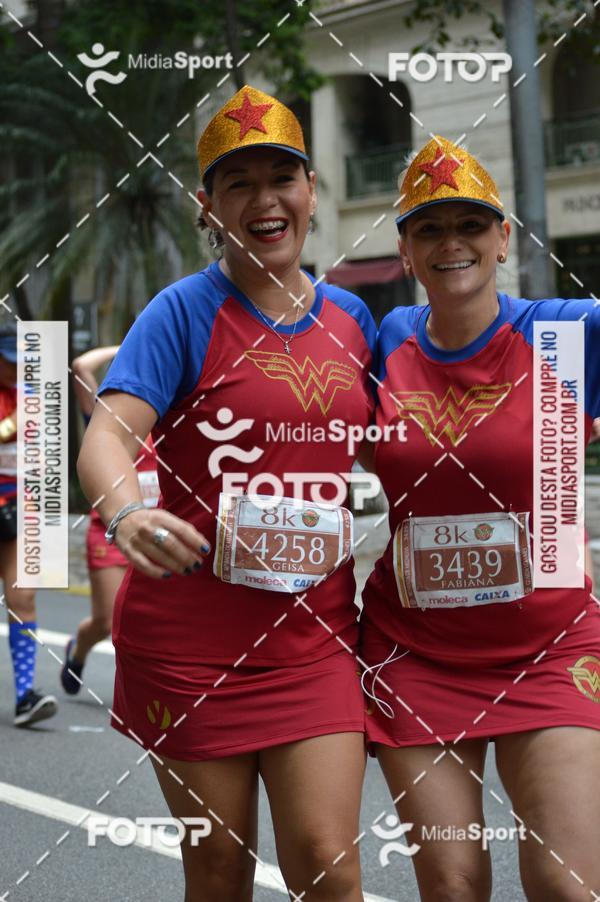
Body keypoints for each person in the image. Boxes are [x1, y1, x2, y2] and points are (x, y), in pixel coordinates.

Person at [77, 85, 376, 901]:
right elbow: (106, 435)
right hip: (190, 646)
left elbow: (416, 430)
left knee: (329, 864)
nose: (264, 200)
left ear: (311, 189)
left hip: (314, 639)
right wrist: (127, 512)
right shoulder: (180, 312)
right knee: (218, 869)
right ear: (207, 206)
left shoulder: (355, 320)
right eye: (238, 183)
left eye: (281, 178)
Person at [360, 136, 600, 901]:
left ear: (504, 238)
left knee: (567, 885)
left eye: (470, 225)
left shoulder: (568, 335)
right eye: (429, 229)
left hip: (552, 647)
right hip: (415, 653)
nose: (451, 243)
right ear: (405, 250)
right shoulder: (385, 342)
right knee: (454, 886)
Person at [60, 346, 159, 694]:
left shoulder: (170, 417)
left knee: (150, 621)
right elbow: (80, 365)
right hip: (110, 531)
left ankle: (141, 693)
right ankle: (79, 648)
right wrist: (129, 345)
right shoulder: (108, 419)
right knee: (106, 620)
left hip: (156, 533)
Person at [0, 322, 58, 726]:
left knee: (23, 597)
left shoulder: (34, 392)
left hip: (20, 506)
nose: (17, 369)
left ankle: (25, 696)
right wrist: (16, 420)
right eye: (9, 361)